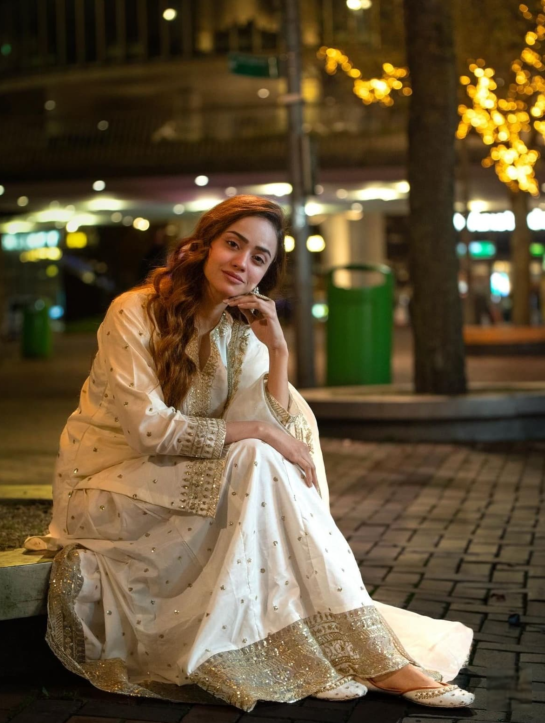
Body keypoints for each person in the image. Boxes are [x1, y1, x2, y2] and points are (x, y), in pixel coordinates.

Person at [25, 195, 474, 711]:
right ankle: (379, 662)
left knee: (260, 460)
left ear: (265, 272)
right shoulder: (134, 312)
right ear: (203, 247)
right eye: (233, 245)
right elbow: (151, 432)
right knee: (255, 455)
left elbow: (286, 436)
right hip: (107, 489)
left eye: (258, 256)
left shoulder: (242, 330)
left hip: (180, 483)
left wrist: (278, 348)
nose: (242, 262)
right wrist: (261, 430)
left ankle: (317, 652)